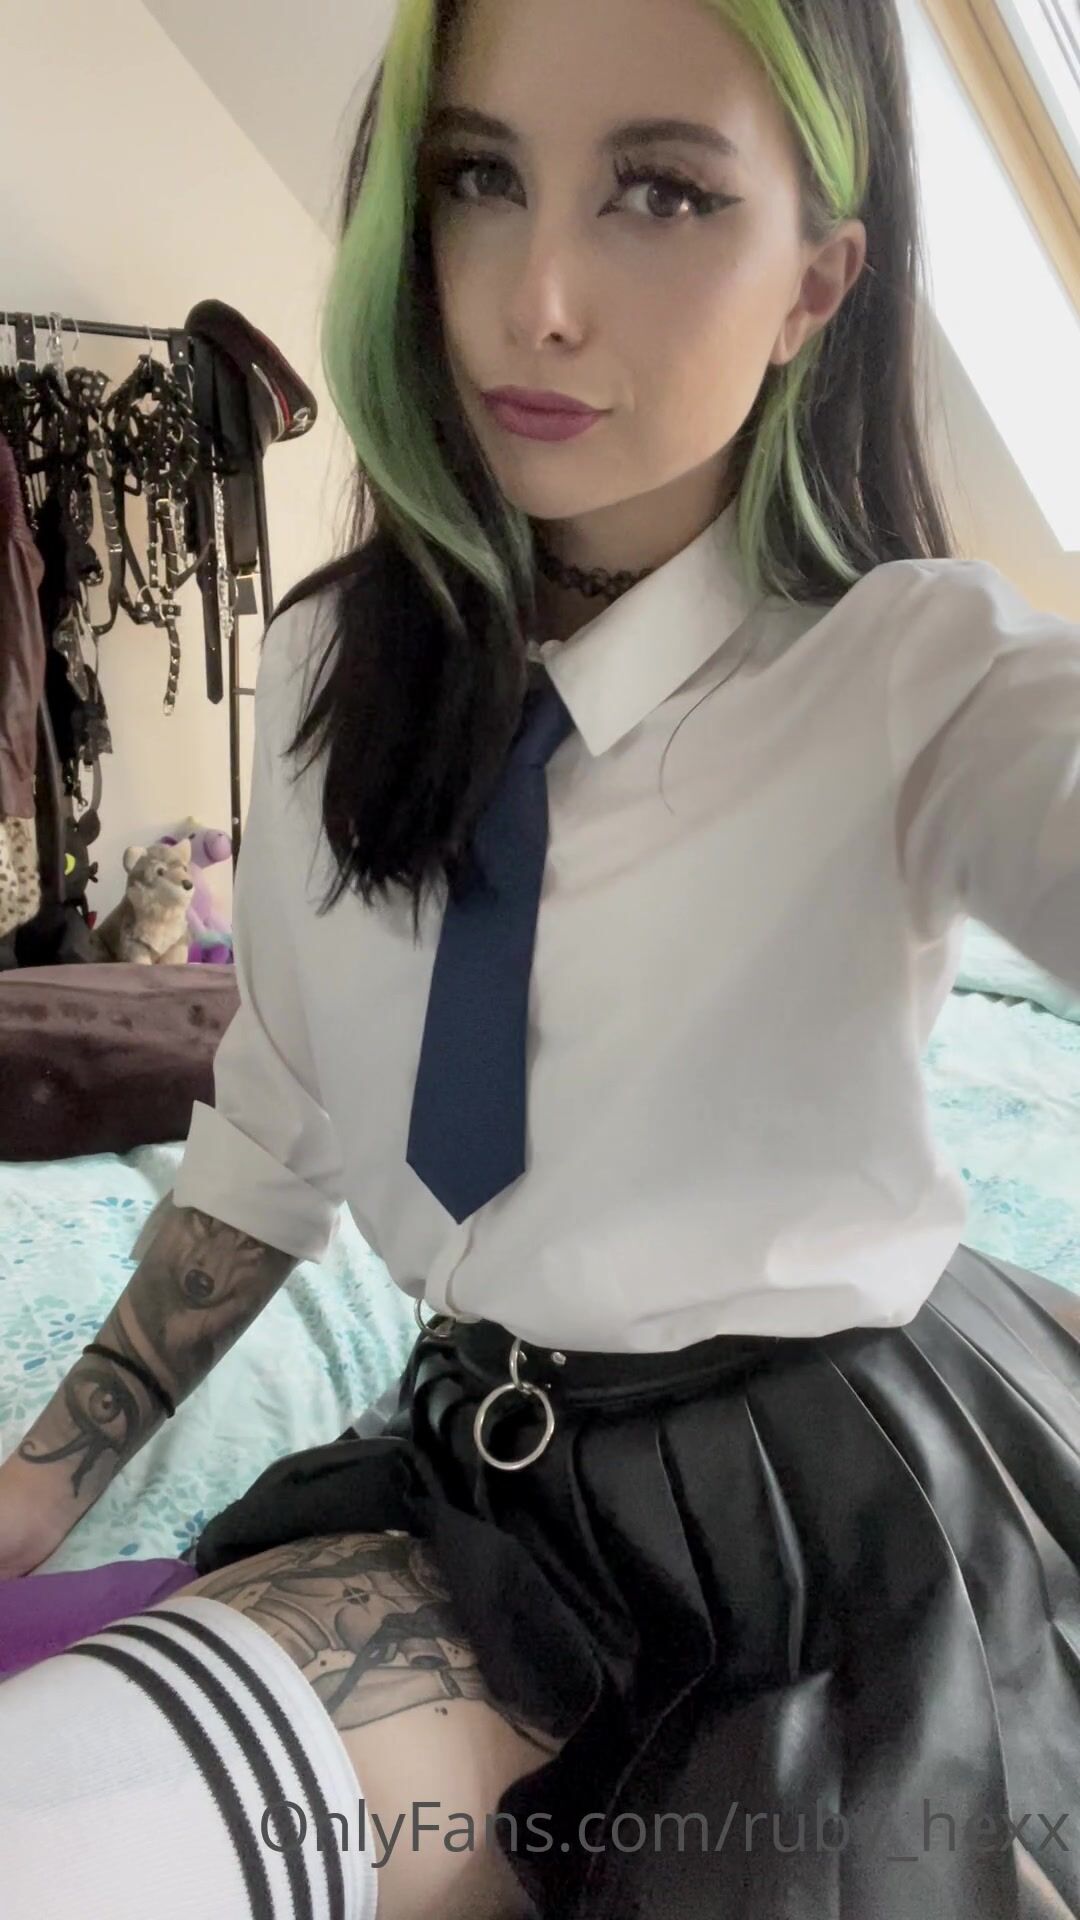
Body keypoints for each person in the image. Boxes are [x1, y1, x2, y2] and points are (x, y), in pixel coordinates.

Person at [2, 0, 1079, 1913]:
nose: (537, 302)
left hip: (830, 1516)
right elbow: (277, 1123)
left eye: (660, 192)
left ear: (816, 283)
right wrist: (43, 1476)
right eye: (478, 179)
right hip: (481, 1475)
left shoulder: (918, 678)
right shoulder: (327, 668)